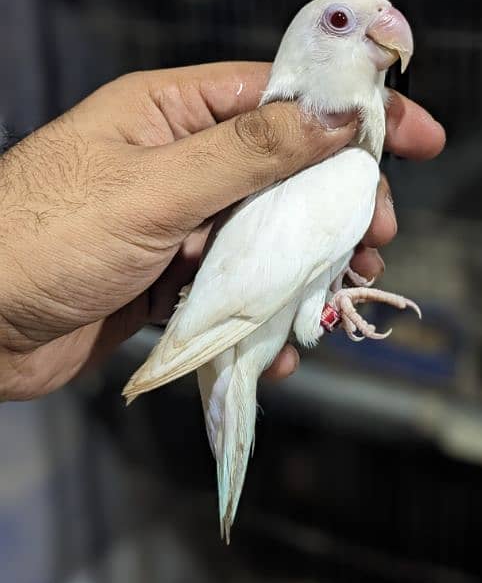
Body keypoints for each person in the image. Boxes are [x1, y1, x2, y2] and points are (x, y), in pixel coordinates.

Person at [0, 61, 445, 402]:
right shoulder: (344, 164)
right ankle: (329, 308)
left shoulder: (341, 169)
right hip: (230, 321)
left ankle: (328, 307)